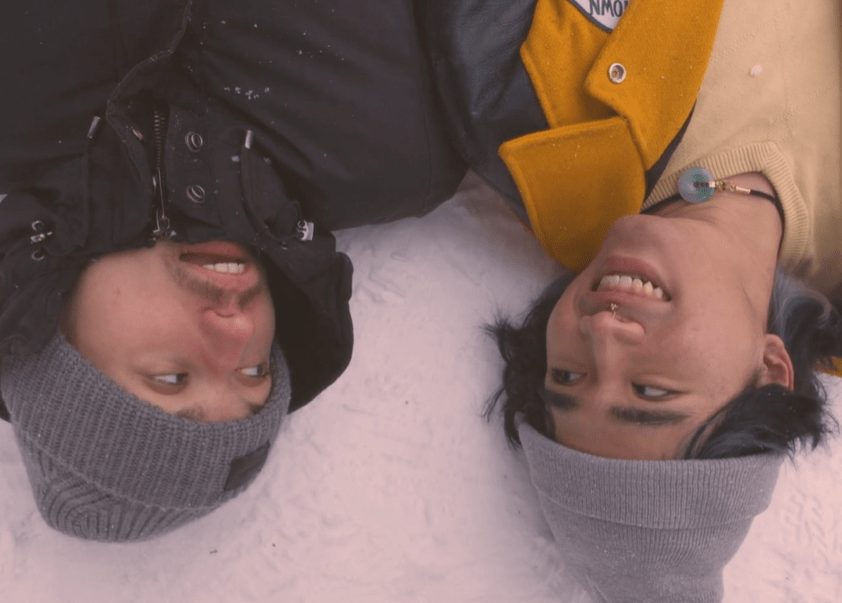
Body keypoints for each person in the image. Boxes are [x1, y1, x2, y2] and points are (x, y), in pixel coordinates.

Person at [0, 0, 465, 541]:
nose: (240, 331)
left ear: (54, 333)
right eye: (254, 373)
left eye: (171, 379)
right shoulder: (393, 154)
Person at [425, 0, 842, 601]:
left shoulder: (532, 121)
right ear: (771, 374)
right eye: (650, 392)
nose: (603, 334)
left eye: (566, 375)